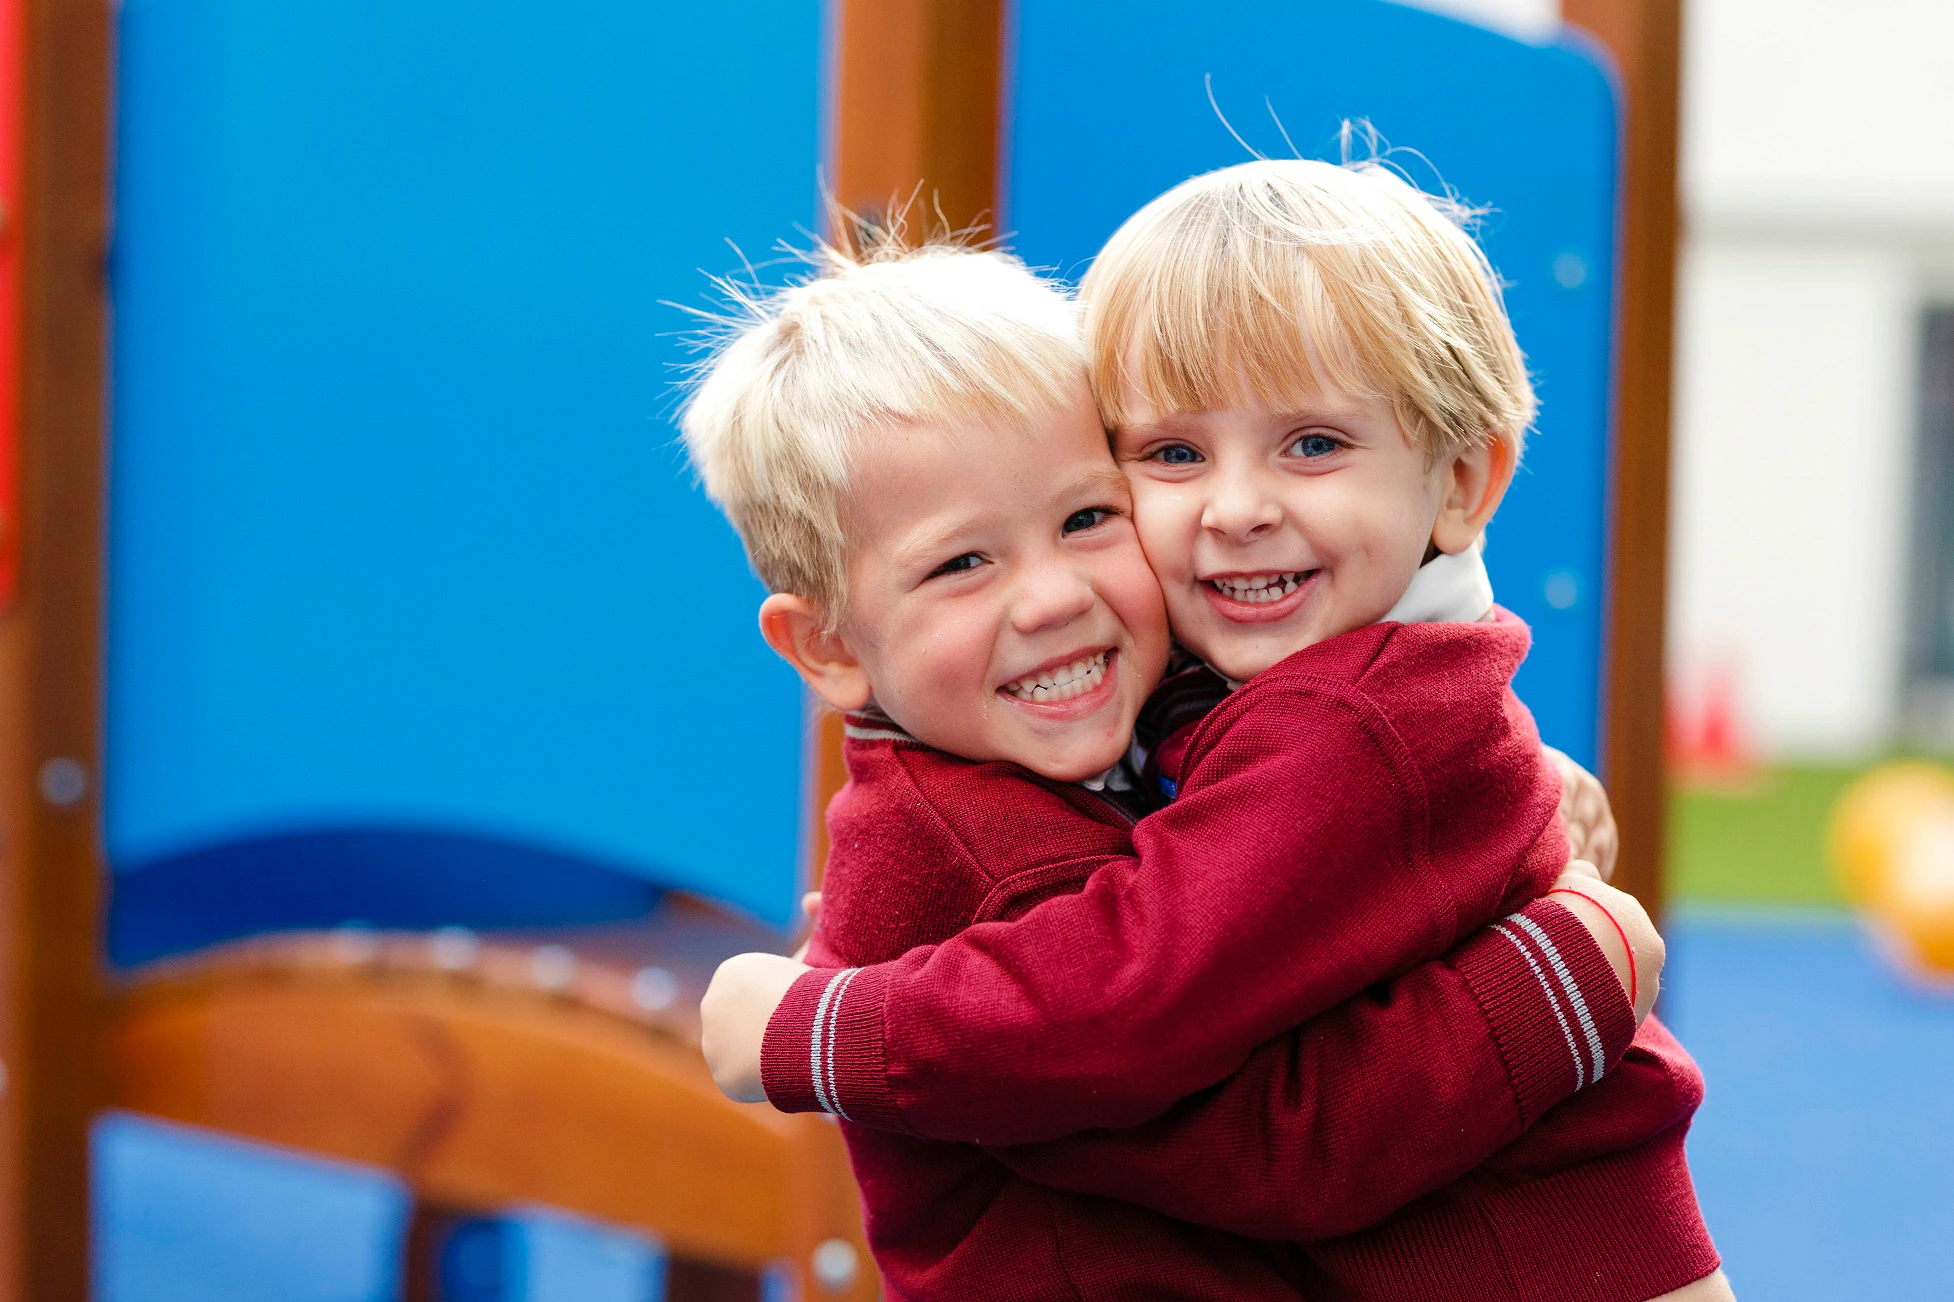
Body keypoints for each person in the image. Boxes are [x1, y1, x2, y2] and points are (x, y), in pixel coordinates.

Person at [683, 215, 1673, 1299]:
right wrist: (1575, 963)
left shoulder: (1127, 731)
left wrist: (1491, 794)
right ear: (827, 644)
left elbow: (1330, 779)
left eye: (1088, 517)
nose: (1055, 595)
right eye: (962, 562)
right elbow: (1276, 1142)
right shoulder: (1003, 857)